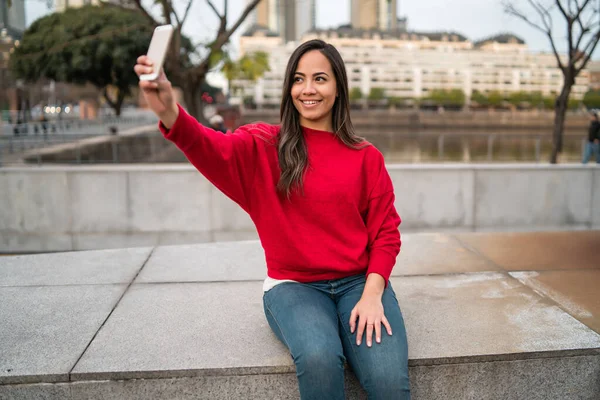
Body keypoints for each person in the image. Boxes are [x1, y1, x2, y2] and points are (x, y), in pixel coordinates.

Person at [134, 39, 410, 400]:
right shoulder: (265, 145)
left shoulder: (366, 157)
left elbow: (386, 233)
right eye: (298, 79)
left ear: (339, 87)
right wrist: (169, 110)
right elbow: (211, 147)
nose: (308, 89)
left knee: (390, 383)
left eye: (320, 79)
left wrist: (373, 294)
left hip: (358, 283)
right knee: (320, 358)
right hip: (293, 286)